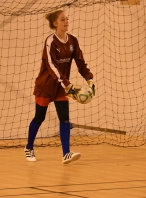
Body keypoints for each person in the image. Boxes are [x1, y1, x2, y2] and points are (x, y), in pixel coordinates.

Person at [24, 9, 95, 164]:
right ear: (55, 23)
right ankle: (29, 147)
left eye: (67, 19)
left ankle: (66, 153)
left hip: (62, 86)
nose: (66, 22)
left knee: (64, 119)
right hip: (46, 85)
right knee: (39, 117)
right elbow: (51, 66)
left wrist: (89, 78)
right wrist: (67, 84)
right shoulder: (50, 41)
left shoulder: (73, 40)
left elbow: (80, 62)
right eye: (63, 19)